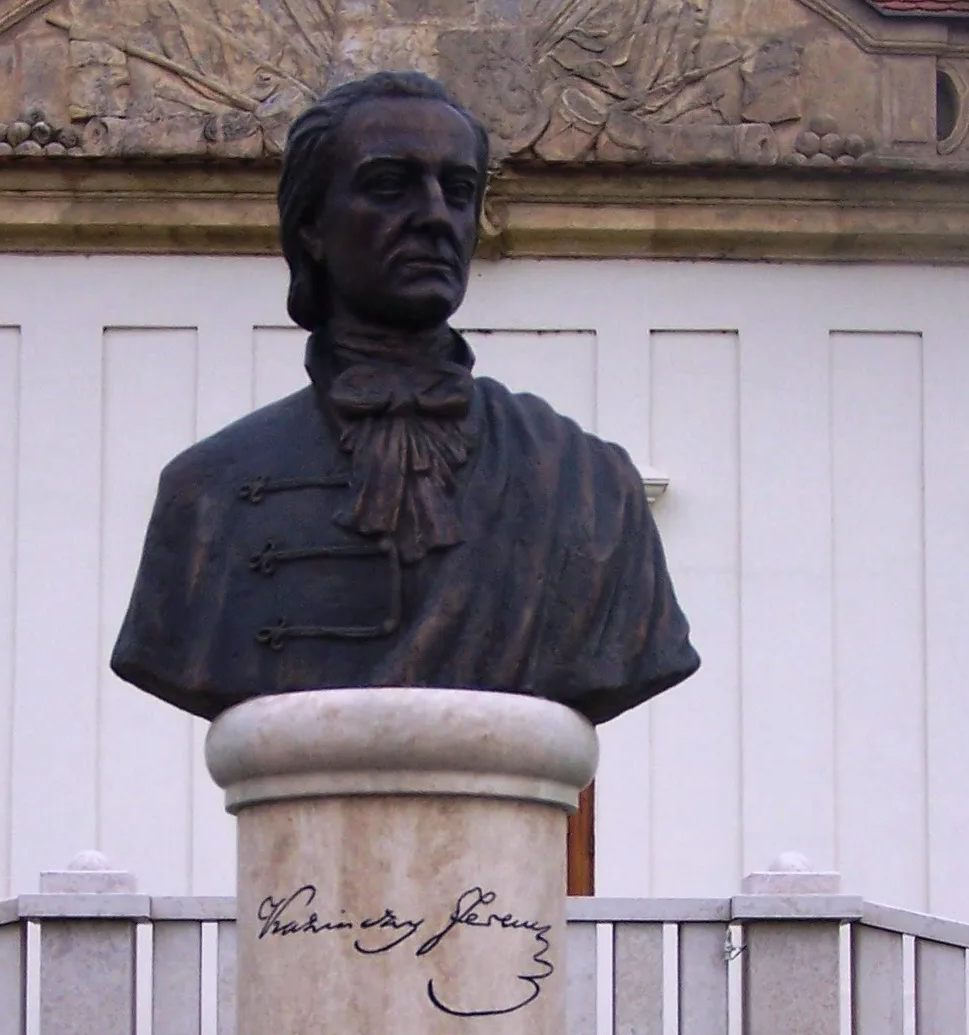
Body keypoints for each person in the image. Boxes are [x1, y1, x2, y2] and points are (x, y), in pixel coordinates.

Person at [111, 71, 697, 725]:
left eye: (459, 190)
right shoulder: (208, 492)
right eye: (390, 186)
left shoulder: (590, 485)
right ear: (311, 226)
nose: (434, 217)